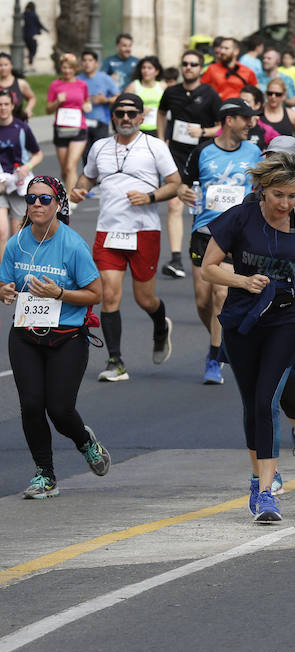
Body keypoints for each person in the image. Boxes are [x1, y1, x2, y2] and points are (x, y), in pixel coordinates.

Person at [201, 153, 295, 523]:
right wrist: (243, 280)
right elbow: (209, 268)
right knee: (251, 404)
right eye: (279, 195)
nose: (285, 203)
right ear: (261, 190)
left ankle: (266, 494)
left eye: (292, 195)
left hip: (287, 319)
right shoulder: (240, 218)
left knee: (266, 400)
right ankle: (259, 478)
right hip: (243, 318)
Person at [0, 175, 109, 499]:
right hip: (25, 335)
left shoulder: (72, 244)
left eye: (44, 199)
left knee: (60, 410)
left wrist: (59, 293)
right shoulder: (15, 243)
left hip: (67, 337)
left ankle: (86, 442)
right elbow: (4, 284)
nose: (36, 204)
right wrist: (4, 291)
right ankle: (45, 475)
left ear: (58, 204)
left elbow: (96, 294)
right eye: (31, 198)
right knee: (32, 405)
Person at [70, 93, 181, 382]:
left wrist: (150, 196)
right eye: (120, 113)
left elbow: (175, 184)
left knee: (145, 299)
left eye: (132, 113)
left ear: (142, 117)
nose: (126, 118)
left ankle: (160, 325)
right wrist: (79, 189)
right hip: (109, 231)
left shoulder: (154, 146)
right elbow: (87, 178)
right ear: (113, 117)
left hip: (144, 231)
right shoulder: (100, 147)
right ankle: (115, 362)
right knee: (109, 295)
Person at [177, 98, 263, 384]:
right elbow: (184, 185)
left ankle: (214, 357)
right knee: (203, 301)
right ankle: (221, 339)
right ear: (229, 120)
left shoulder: (254, 152)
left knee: (220, 295)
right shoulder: (203, 151)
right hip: (204, 233)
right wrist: (184, 193)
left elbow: (265, 186)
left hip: (237, 237)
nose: (250, 124)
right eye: (245, 119)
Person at [157, 50, 223, 280]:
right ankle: (176, 259)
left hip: (202, 156)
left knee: (200, 207)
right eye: (185, 63)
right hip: (175, 154)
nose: (188, 67)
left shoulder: (210, 94)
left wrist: (204, 132)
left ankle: (203, 252)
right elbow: (162, 111)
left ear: (201, 68)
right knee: (175, 204)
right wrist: (162, 138)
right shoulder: (172, 91)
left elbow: (222, 126)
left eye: (193, 64)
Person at [0, 89, 42, 257]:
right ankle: (3, 279)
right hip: (1, 187)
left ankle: (15, 273)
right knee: (1, 232)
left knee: (17, 236)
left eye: (6, 104)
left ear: (12, 106)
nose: (2, 108)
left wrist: (27, 167)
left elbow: (38, 154)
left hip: (19, 185)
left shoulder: (22, 128)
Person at [47, 54, 91, 193]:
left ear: (75, 69)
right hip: (61, 129)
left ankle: (69, 202)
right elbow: (48, 109)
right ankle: (68, 190)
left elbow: (86, 101)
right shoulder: (55, 85)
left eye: (70, 68)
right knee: (64, 169)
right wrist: (57, 102)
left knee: (70, 166)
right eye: (64, 68)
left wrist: (87, 106)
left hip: (79, 128)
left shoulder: (82, 84)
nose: (66, 71)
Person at [77, 51, 118, 162]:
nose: (87, 63)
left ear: (96, 63)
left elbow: (118, 97)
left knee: (100, 155)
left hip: (101, 122)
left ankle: (101, 179)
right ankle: (88, 178)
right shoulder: (78, 80)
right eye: (84, 60)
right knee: (85, 155)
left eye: (90, 60)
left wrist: (106, 100)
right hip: (81, 122)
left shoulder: (105, 78)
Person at [125, 57, 164, 137]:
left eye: (149, 68)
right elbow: (124, 106)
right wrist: (139, 110)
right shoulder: (133, 86)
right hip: (137, 129)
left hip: (158, 129)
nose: (146, 71)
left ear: (157, 71)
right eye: (143, 68)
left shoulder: (163, 86)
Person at [240, 85, 278, 150]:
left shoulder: (265, 130)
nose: (242, 105)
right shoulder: (232, 125)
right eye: (240, 101)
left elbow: (282, 145)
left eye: (247, 102)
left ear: (257, 105)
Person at [0, 52, 36, 120]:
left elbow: (32, 98)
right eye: (0, 65)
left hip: (18, 122)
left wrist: (28, 109)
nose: (3, 68)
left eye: (6, 65)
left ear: (11, 65)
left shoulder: (20, 84)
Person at [23, 3, 47, 68]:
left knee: (30, 50)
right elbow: (39, 24)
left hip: (25, 35)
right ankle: (30, 61)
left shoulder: (24, 14)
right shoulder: (33, 15)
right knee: (33, 50)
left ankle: (29, 61)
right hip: (32, 35)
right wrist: (46, 30)